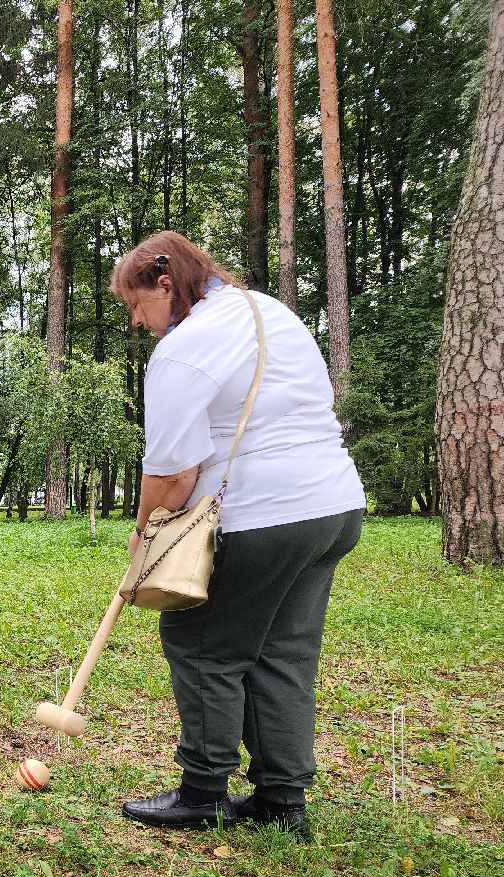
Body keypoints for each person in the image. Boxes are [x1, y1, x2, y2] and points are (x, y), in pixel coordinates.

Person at [111, 231, 365, 838]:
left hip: (264, 514)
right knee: (283, 651)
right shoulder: (268, 311)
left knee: (204, 641)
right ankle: (282, 801)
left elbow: (174, 471)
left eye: (135, 306)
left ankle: (203, 789)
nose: (137, 322)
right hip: (333, 507)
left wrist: (144, 534)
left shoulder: (183, 349)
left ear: (164, 285)